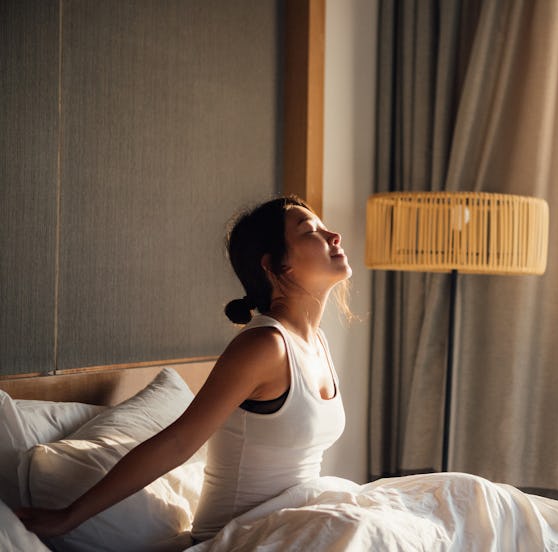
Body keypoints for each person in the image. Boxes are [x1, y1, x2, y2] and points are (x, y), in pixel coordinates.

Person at [16, 195, 353, 541]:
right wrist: (68, 518)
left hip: (290, 528)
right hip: (239, 539)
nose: (334, 236)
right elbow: (179, 442)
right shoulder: (265, 346)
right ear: (275, 266)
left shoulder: (318, 343)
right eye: (310, 231)